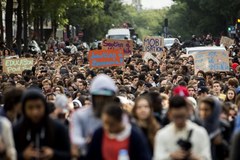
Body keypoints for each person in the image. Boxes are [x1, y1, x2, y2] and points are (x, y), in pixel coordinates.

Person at [13, 89, 71, 160]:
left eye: (38, 107)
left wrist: (53, 153)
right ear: (24, 109)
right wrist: (23, 156)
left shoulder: (59, 128)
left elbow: (68, 154)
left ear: (44, 107)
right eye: (30, 108)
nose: (35, 112)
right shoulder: (16, 129)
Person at [70, 74, 118, 159]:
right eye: (98, 97)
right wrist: (89, 142)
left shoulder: (121, 117)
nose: (102, 100)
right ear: (92, 96)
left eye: (106, 97)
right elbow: (75, 140)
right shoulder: (80, 115)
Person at [86, 102, 151, 160]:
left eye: (111, 124)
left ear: (120, 121)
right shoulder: (99, 133)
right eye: (105, 123)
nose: (107, 127)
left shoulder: (135, 135)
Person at [154, 96, 211, 160]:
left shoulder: (200, 133)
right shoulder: (162, 135)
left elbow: (207, 157)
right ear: (169, 115)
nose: (179, 121)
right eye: (176, 117)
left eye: (181, 116)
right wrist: (171, 156)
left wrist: (195, 158)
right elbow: (157, 157)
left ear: (187, 112)